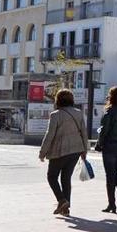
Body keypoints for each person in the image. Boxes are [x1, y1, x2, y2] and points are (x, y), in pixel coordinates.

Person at [39, 89, 88, 217]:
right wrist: (84, 150)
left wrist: (42, 152)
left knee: (51, 176)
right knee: (66, 178)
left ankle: (62, 200)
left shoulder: (56, 115)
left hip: (59, 151)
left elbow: (50, 135)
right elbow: (84, 132)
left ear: (58, 100)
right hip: (76, 150)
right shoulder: (78, 113)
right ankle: (65, 208)